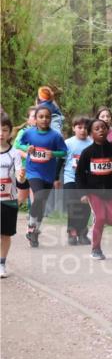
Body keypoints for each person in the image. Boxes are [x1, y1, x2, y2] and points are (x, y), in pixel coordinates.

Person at [15, 106, 67, 247]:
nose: (44, 119)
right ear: (36, 119)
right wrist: (27, 148)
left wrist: (54, 154)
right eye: (41, 117)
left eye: (47, 117)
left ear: (51, 119)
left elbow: (64, 152)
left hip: (48, 174)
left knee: (42, 202)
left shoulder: (55, 136)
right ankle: (31, 225)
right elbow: (18, 144)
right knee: (38, 196)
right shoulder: (30, 133)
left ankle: (34, 232)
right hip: (33, 171)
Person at [76, 119, 112, 260]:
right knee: (100, 217)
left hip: (110, 191)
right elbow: (79, 173)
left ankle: (94, 228)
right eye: (97, 128)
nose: (100, 130)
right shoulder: (87, 152)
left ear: (107, 130)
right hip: (93, 192)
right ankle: (96, 249)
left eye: (103, 127)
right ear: (91, 133)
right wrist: (83, 193)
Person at [1, 115, 30, 278]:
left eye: (4, 130)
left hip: (9, 200)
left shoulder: (14, 153)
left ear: (10, 132)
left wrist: (21, 177)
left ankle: (2, 264)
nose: (0, 133)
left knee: (5, 234)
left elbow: (20, 178)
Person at [63, 115, 94, 245]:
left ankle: (82, 232)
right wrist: (55, 178)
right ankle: (72, 232)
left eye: (86, 128)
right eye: (79, 127)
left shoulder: (92, 143)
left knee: (85, 207)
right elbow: (61, 161)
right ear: (73, 128)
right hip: (70, 178)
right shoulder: (68, 143)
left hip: (87, 181)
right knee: (73, 205)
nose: (82, 130)